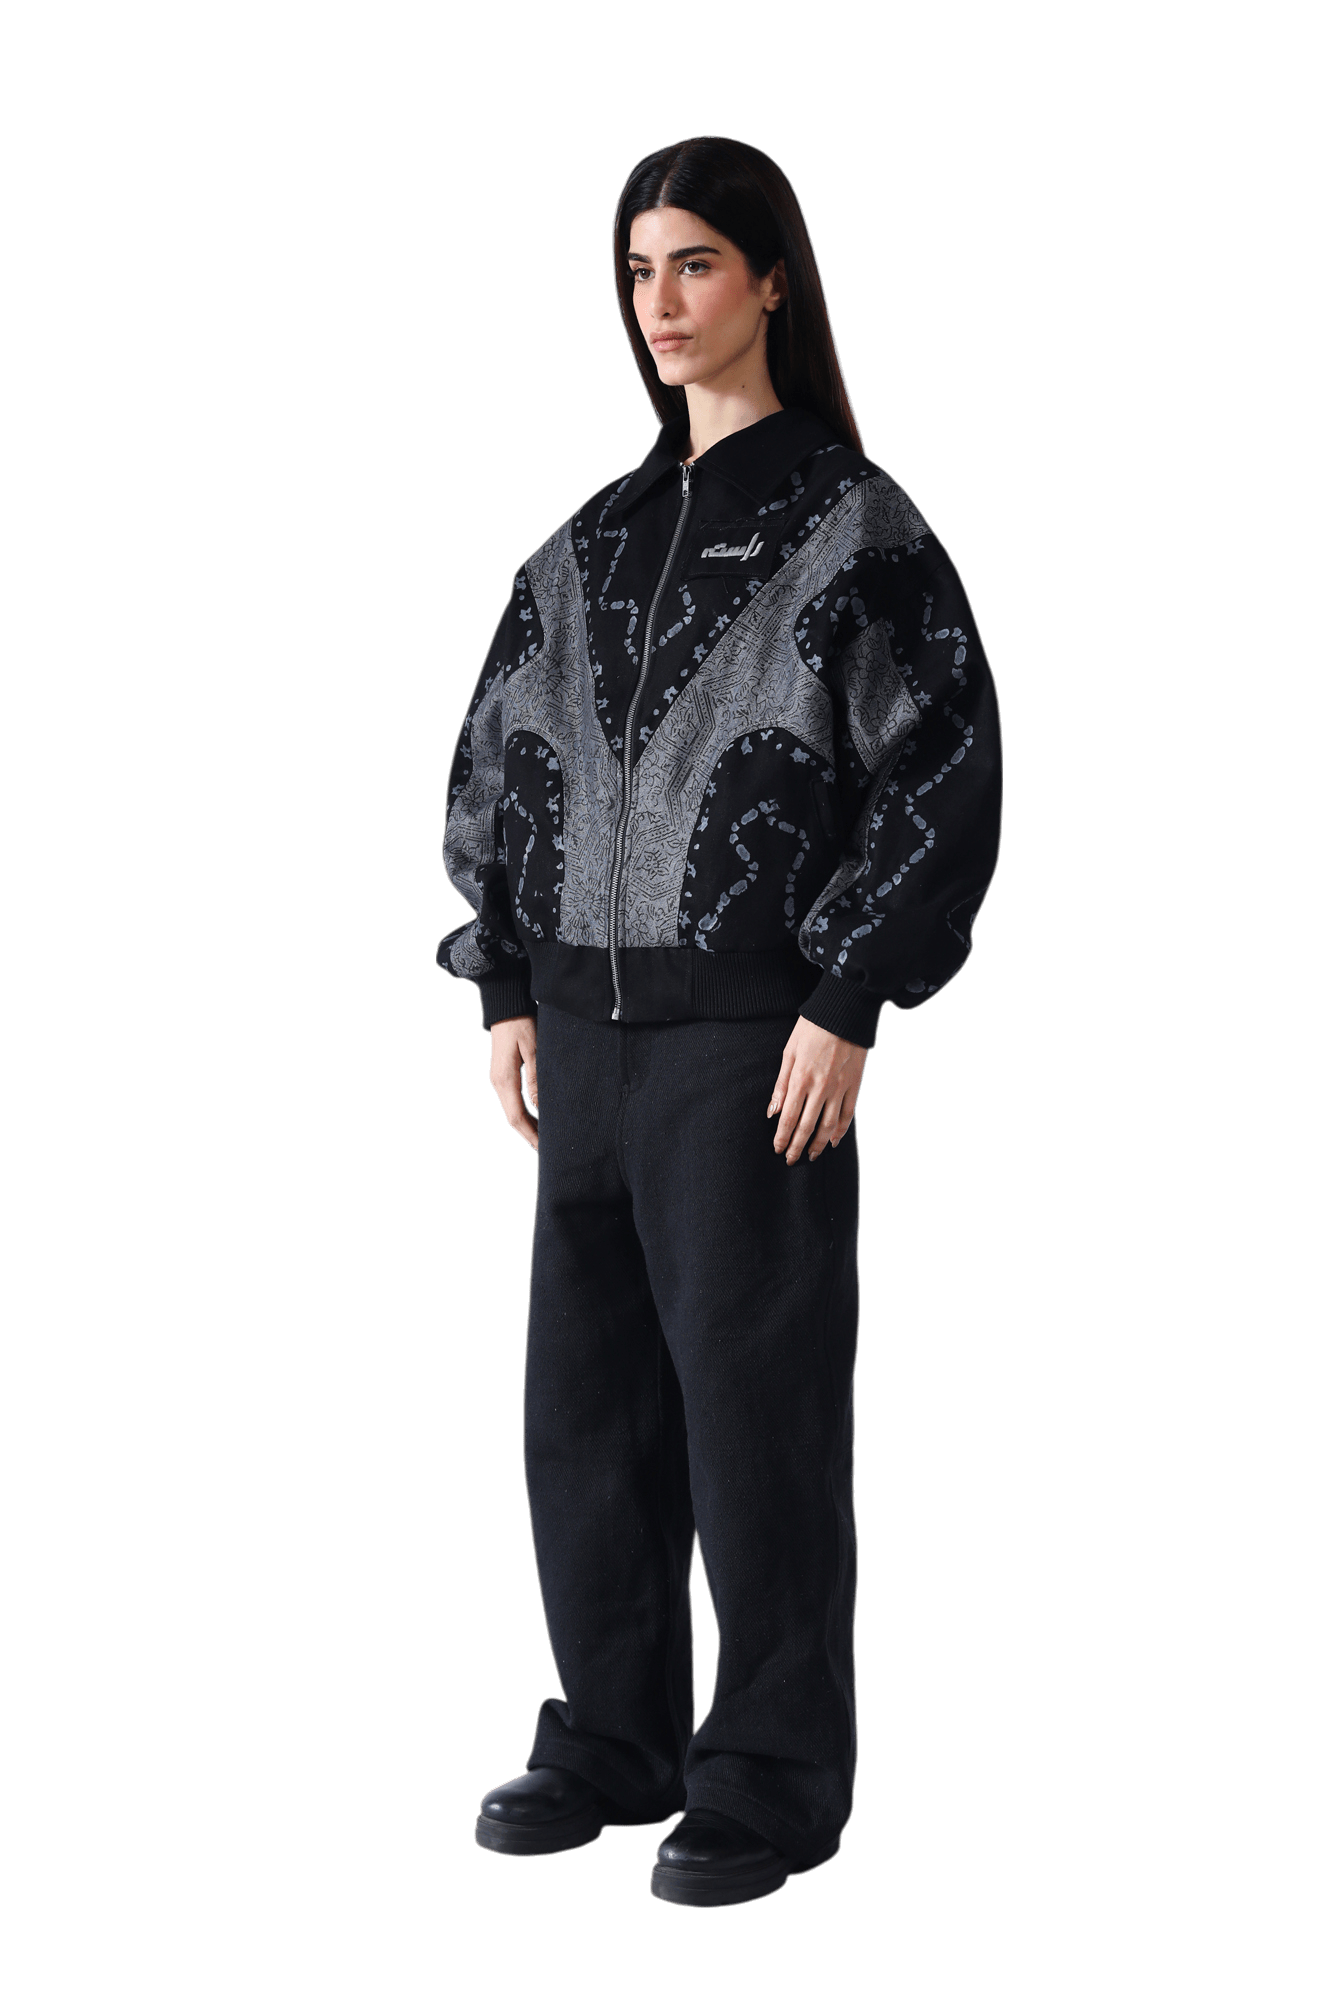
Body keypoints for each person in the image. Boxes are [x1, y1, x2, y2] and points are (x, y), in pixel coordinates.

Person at [437, 134, 1003, 1908]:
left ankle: (772, 1772)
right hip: (581, 1049)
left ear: (771, 279)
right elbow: (498, 755)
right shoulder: (584, 544)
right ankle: (613, 1737)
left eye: (694, 263)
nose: (660, 304)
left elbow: (943, 769)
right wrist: (502, 982)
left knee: (757, 1416)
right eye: (637, 272)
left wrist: (848, 997)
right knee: (582, 1416)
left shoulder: (856, 526)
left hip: (752, 1049)